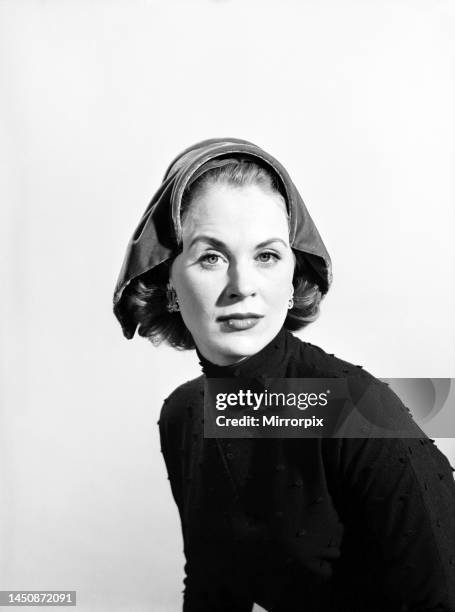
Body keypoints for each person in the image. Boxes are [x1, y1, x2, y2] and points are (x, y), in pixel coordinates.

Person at [113, 137, 455, 611]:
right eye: (211, 256)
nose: (242, 287)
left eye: (267, 256)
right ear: (169, 283)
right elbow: (212, 588)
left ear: (294, 279)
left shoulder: (360, 413)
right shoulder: (184, 416)